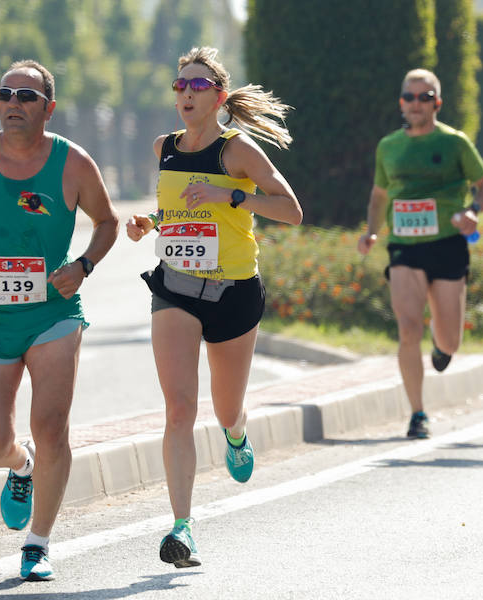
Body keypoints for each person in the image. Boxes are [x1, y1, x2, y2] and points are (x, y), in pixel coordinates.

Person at [0, 60, 119, 580]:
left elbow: (106, 221)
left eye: (27, 96)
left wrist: (82, 266)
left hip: (53, 315)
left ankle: (37, 544)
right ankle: (21, 467)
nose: (14, 102)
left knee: (51, 427)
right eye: (5, 93)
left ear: (48, 108)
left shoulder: (73, 163)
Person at [126, 47, 302, 568]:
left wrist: (233, 198)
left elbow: (291, 210)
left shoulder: (238, 150)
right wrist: (150, 224)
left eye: (197, 86)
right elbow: (177, 209)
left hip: (233, 292)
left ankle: (236, 433)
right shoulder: (164, 148)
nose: (186, 93)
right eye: (180, 85)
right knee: (179, 408)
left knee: (226, 408)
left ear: (219, 97)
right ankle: (182, 527)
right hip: (174, 288)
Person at [357, 68, 483, 439]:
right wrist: (372, 231)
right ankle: (418, 412)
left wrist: (472, 211)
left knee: (451, 340)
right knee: (408, 328)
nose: (415, 104)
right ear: (401, 102)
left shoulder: (455, 143)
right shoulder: (388, 146)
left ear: (437, 102)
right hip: (404, 247)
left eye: (424, 97)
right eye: (409, 97)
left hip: (448, 244)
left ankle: (442, 344)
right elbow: (378, 196)